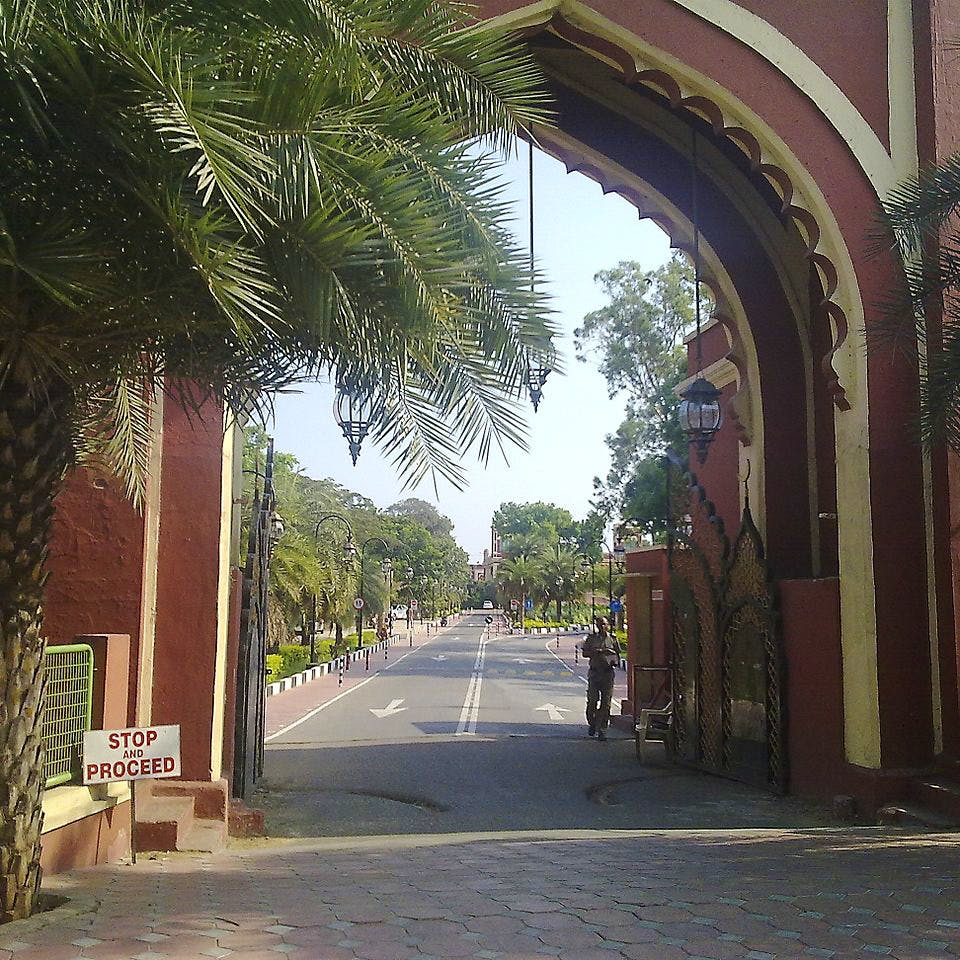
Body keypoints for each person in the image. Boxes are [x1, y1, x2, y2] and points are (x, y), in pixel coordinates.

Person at [580, 617, 620, 740]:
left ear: (608, 625)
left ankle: (602, 729)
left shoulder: (612, 639)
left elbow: (618, 656)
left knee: (606, 704)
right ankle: (593, 723)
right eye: (599, 624)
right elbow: (584, 653)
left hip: (607, 674)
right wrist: (596, 652)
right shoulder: (592, 639)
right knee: (592, 701)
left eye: (604, 624)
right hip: (594, 674)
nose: (602, 626)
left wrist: (611, 657)